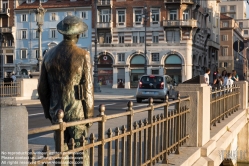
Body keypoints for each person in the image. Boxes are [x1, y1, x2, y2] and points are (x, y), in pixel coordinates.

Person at [37, 15, 93, 165]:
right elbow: (88, 89)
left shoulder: (48, 56)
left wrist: (48, 112)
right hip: (77, 114)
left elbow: (42, 89)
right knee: (81, 153)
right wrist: (89, 115)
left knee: (61, 154)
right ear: (78, 34)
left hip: (57, 113)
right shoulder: (83, 55)